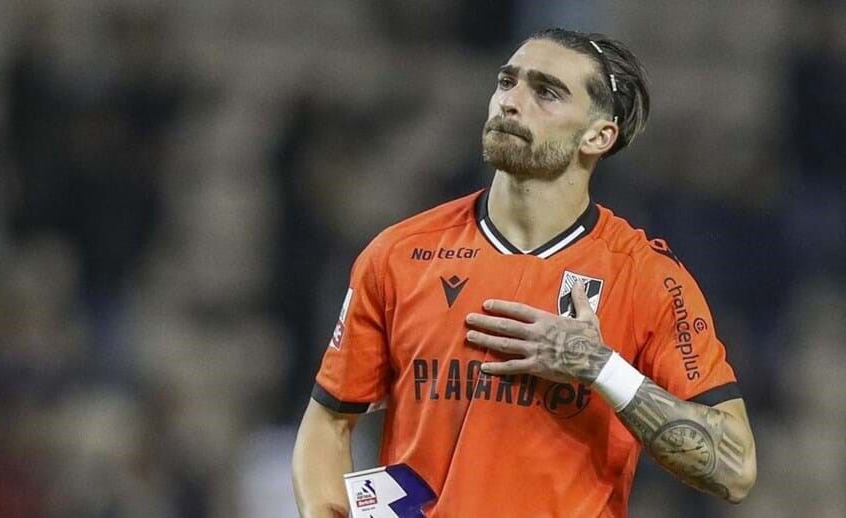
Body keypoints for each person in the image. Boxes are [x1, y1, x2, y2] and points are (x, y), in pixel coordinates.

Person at [292, 28, 757, 517]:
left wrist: (601, 368)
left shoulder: (647, 278)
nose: (510, 102)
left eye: (547, 92)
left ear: (598, 136)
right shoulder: (398, 255)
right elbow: (329, 421)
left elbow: (735, 468)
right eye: (506, 82)